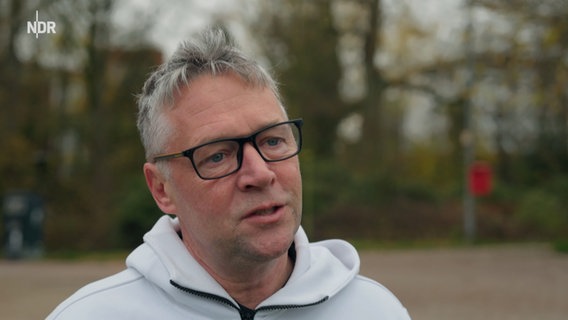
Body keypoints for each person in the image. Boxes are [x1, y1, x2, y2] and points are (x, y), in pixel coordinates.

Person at [47, 28, 411, 320]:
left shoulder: (377, 311)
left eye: (272, 141)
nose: (260, 173)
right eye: (218, 155)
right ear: (161, 189)